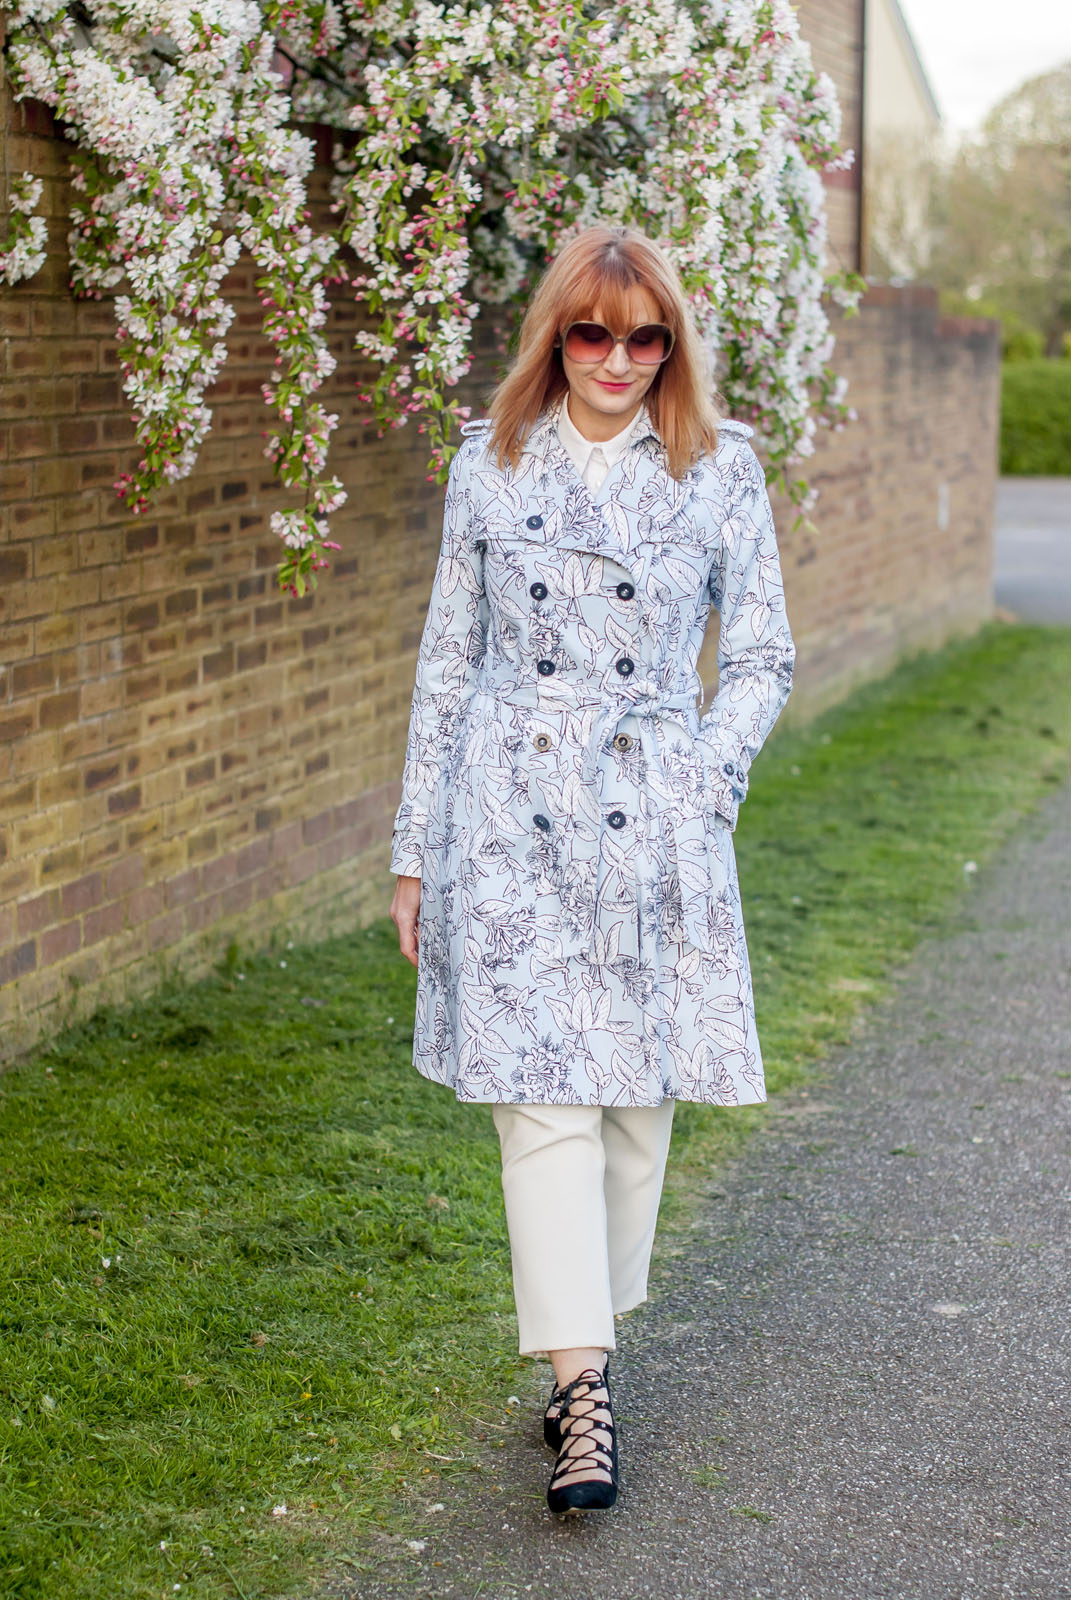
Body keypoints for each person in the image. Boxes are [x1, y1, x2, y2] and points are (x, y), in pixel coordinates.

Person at [389, 224, 795, 1515]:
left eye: (643, 337)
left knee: (634, 1112)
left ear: (670, 346)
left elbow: (768, 660)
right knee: (544, 1104)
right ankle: (587, 1395)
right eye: (590, 333)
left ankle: (580, 1356)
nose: (616, 360)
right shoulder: (490, 467)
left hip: (653, 817)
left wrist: (705, 772)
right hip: (509, 812)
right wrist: (416, 854)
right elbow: (446, 664)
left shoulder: (721, 474)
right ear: (553, 336)